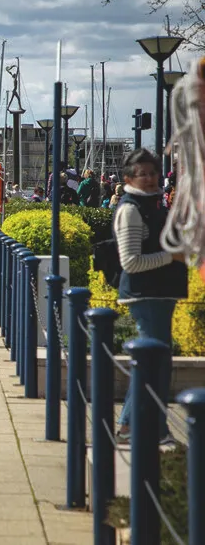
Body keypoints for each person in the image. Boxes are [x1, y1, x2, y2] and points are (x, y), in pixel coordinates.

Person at [113, 149, 187, 444]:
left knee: (157, 363)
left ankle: (142, 427)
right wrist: (172, 257)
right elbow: (130, 262)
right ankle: (142, 428)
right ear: (129, 178)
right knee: (153, 363)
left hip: (161, 294)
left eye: (153, 173)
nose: (148, 178)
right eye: (141, 174)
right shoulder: (131, 209)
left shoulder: (155, 205)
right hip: (145, 296)